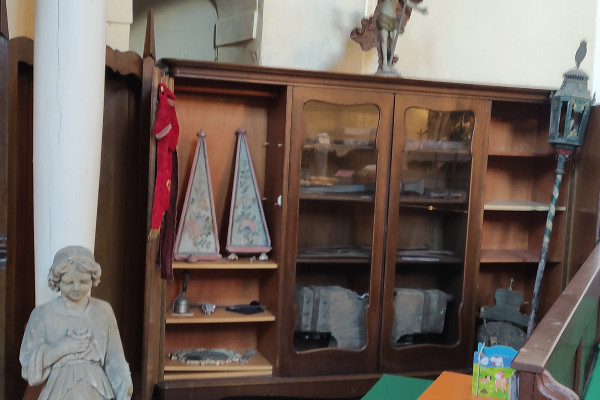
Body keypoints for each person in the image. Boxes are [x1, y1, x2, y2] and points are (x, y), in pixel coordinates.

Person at [20, 245, 133, 400]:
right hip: (58, 391)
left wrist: (124, 390)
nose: (76, 288)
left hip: (97, 390)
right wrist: (63, 348)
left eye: (83, 281)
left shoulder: (103, 311)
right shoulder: (42, 314)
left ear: (93, 279)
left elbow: (116, 360)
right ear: (57, 280)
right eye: (69, 282)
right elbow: (27, 365)